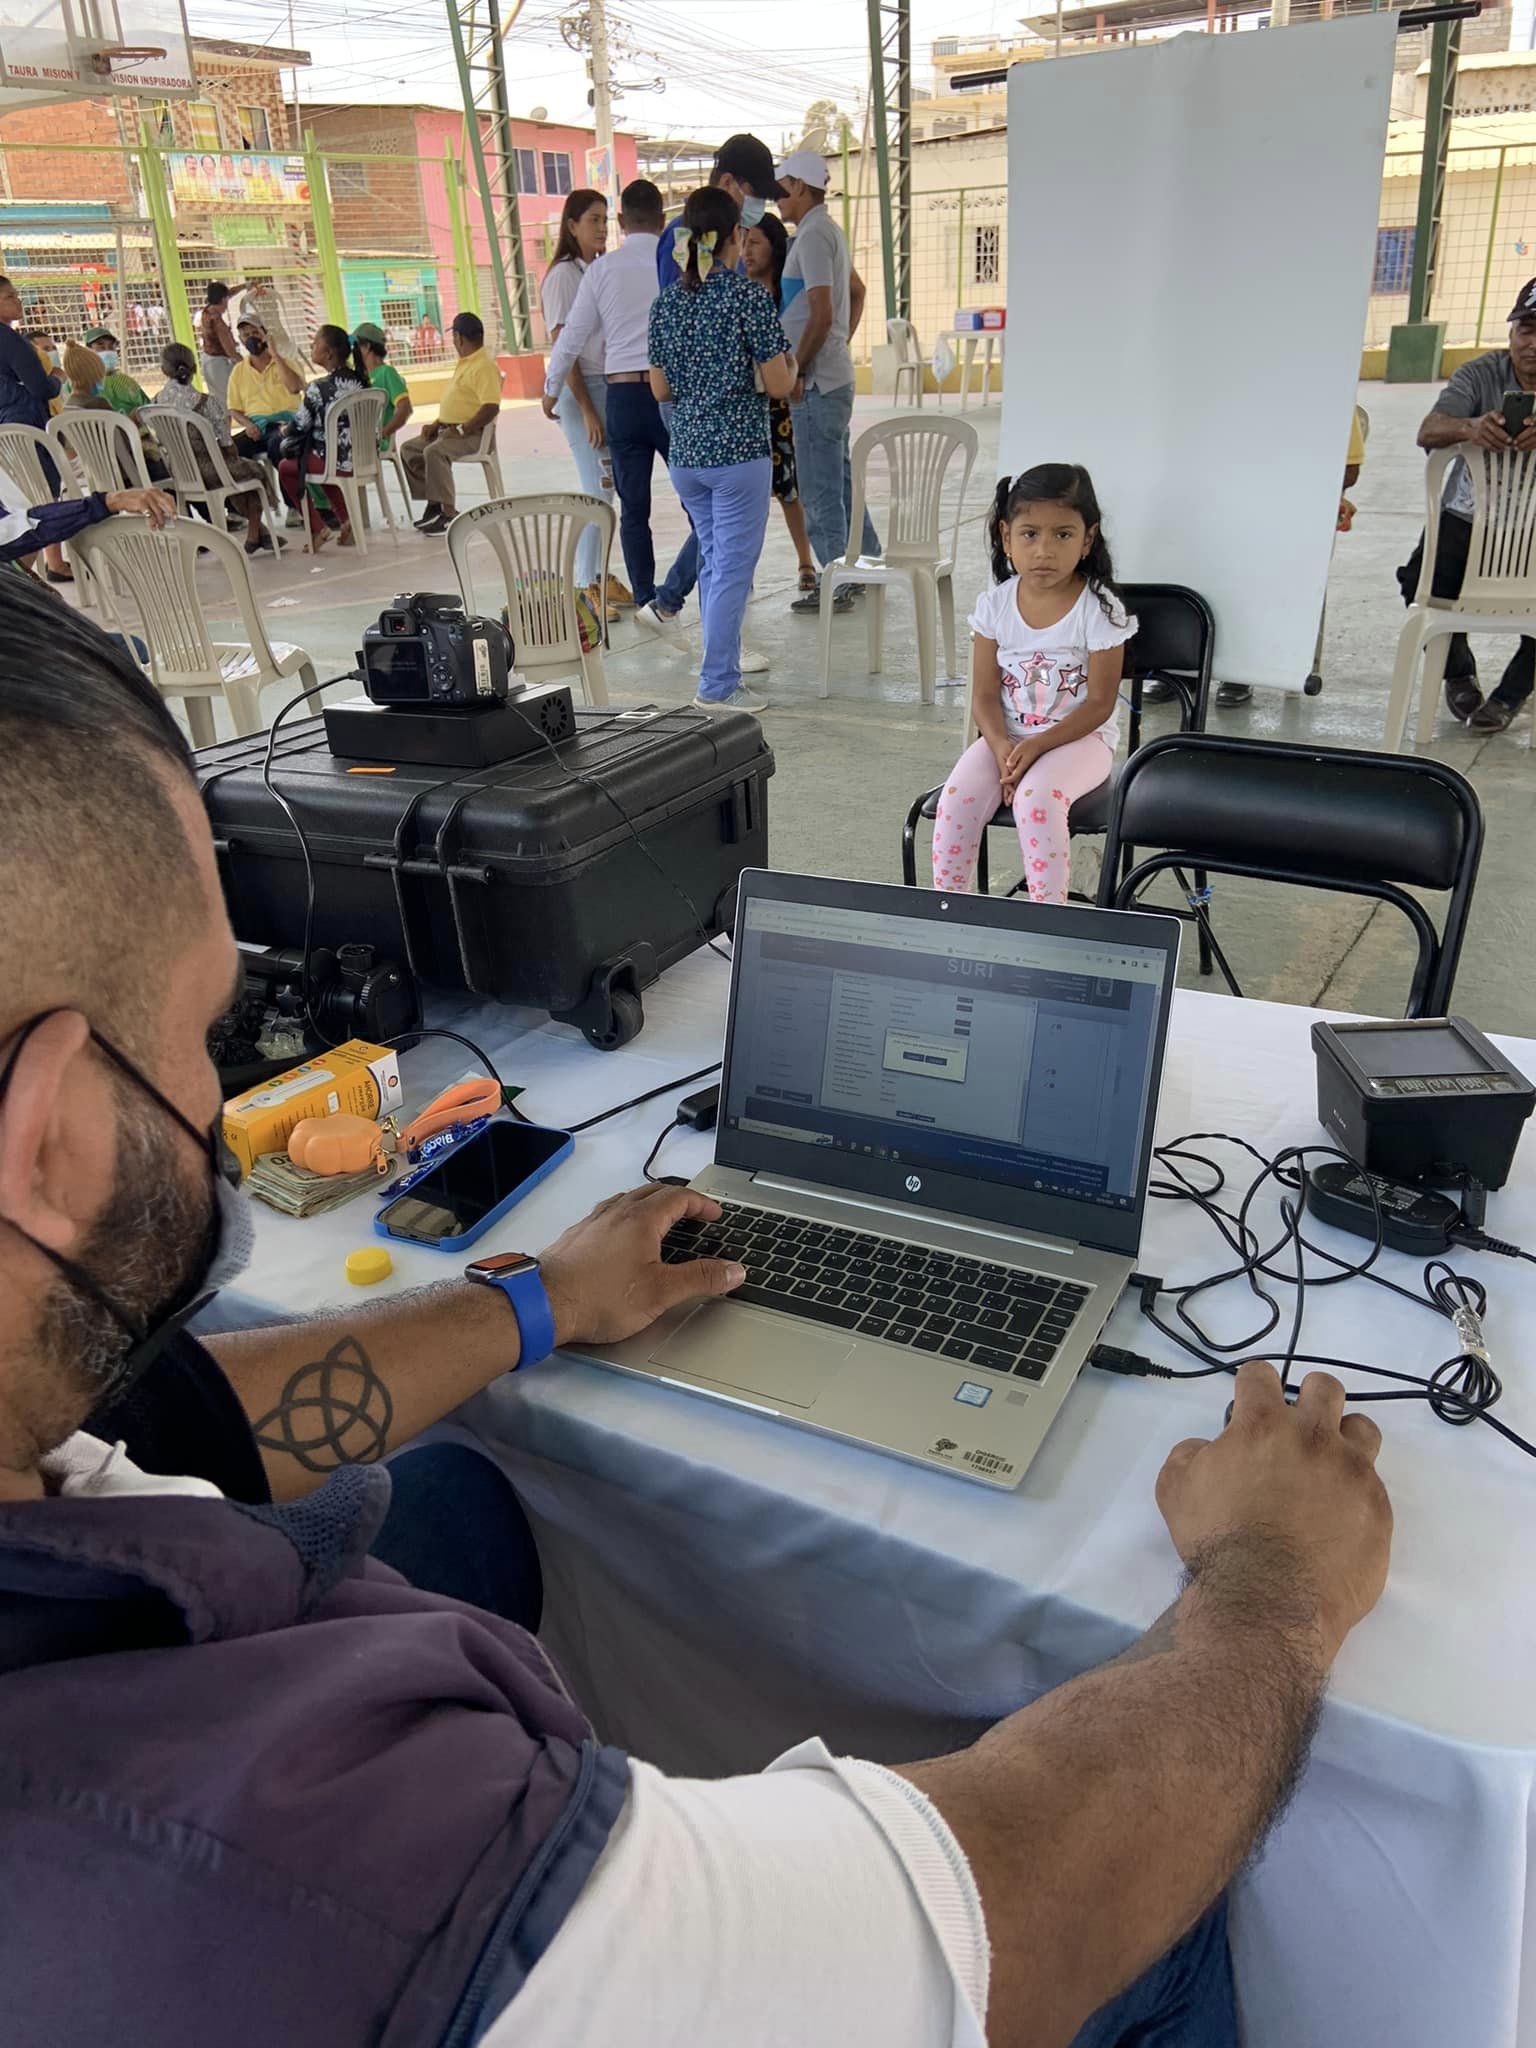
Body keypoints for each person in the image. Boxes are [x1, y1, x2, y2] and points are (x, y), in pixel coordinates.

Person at [0, 571, 1395, 2047]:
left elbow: (191, 1419)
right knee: (1169, 1928)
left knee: (458, 1496)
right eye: (206, 1028)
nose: (219, 1084)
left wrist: (540, 1302)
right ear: (51, 1137)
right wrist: (1275, 1590)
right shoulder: (336, 1862)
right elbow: (1005, 1918)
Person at [933, 464, 1135, 906]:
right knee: (957, 799)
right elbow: (984, 695)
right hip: (1006, 739)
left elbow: (1100, 704)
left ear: (1088, 539)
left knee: (1037, 799)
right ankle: (949, 917)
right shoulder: (995, 606)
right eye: (1029, 534)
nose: (1044, 550)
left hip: (1080, 741)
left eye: (1062, 535)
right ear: (1006, 538)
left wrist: (1036, 748)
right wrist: (1002, 747)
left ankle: (1048, 923)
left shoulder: (1099, 610)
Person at [649, 187, 795, 717]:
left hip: (688, 455)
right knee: (731, 568)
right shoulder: (747, 298)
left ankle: (722, 669)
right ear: (736, 234)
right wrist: (785, 369)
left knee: (714, 563)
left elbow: (660, 389)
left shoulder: (665, 303)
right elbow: (778, 384)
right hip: (739, 455)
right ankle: (716, 684)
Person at [541, 179, 699, 640]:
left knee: (633, 507)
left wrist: (551, 388)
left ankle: (646, 596)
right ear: (662, 219)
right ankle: (694, 579)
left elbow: (571, 336)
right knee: (698, 503)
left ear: (622, 220)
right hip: (671, 396)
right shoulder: (679, 260)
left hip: (623, 398)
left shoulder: (602, 270)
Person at [1399, 277, 1536, 735]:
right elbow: (1428, 430)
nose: (1533, 345)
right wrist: (1471, 427)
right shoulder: (1480, 374)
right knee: (1420, 583)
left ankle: (1510, 694)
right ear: (1512, 332)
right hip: (1466, 518)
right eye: (1527, 330)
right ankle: (1457, 673)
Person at [776, 148, 881, 617]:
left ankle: (838, 578)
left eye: (781, 189)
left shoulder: (814, 235)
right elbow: (855, 293)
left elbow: (820, 312)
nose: (777, 198)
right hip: (829, 376)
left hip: (817, 384)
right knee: (838, 480)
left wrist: (798, 367)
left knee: (819, 490)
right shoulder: (824, 231)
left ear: (799, 186)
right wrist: (838, 342)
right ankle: (868, 560)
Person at [540, 186, 632, 620]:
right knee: (597, 489)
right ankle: (583, 586)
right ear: (571, 225)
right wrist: (588, 409)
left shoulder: (597, 269)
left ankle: (597, 574)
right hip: (583, 392)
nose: (601, 227)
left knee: (606, 489)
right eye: (593, 219)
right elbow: (566, 347)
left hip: (605, 385)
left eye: (605, 219)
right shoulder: (563, 275)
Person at [742, 211, 818, 597]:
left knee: (789, 487)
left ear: (775, 248)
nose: (746, 251)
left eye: (755, 243)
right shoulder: (738, 297)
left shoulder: (785, 299)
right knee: (748, 495)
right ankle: (744, 569)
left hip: (782, 406)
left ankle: (806, 561)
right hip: (746, 407)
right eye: (743, 242)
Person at [156, 342, 274, 555]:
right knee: (252, 471)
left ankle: (259, 533)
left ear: (164, 370)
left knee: (234, 471)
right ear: (195, 368)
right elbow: (228, 446)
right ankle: (255, 531)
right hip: (210, 473)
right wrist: (228, 455)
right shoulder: (208, 403)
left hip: (179, 474)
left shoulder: (154, 405)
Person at [400, 311, 504, 534]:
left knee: (434, 452)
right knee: (409, 449)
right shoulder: (466, 363)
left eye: (454, 336)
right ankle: (434, 504)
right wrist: (436, 423)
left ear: (460, 338)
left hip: (472, 434)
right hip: (448, 429)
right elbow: (460, 402)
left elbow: (490, 407)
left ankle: (447, 513)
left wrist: (462, 429)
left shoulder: (483, 365)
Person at [0, 277, 70, 582]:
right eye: (9, 297)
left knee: (19, 503)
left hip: (4, 433)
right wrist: (57, 378)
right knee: (40, 500)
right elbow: (41, 388)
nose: (18, 301)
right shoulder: (10, 340)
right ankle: (22, 576)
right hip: (25, 427)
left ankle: (32, 573)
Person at [278, 322, 369, 550]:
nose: (312, 346)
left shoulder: (318, 388)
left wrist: (284, 430)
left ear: (328, 353)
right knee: (322, 458)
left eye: (316, 343)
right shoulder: (362, 381)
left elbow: (300, 426)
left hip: (336, 462)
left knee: (287, 467)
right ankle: (347, 521)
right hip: (363, 458)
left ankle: (318, 529)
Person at [655, 131, 783, 286]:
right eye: (755, 194)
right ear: (727, 182)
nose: (760, 204)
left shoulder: (736, 233)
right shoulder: (682, 234)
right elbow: (674, 298)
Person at [226, 315, 305, 467]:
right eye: (246, 335)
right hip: (257, 428)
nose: (251, 338)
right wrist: (248, 425)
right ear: (241, 340)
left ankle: (290, 482)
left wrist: (275, 355)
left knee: (277, 444)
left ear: (265, 335)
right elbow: (234, 409)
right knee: (228, 451)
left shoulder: (286, 363)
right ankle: (257, 483)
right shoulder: (238, 371)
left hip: (285, 424)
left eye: (255, 333)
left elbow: (295, 388)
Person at [352, 321, 414, 458]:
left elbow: (405, 409)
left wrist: (383, 433)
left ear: (367, 347)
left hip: (374, 441)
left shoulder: (387, 373)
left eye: (355, 346)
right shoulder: (358, 377)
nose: (352, 351)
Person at [81, 326, 153, 418]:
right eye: (101, 347)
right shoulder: (80, 383)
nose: (107, 351)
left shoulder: (125, 382)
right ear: (87, 351)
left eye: (111, 347)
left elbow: (147, 409)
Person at [197, 281, 240, 408]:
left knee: (219, 400)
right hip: (218, 365)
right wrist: (248, 364)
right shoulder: (217, 322)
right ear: (223, 300)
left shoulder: (207, 310)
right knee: (229, 402)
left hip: (207, 359)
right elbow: (231, 352)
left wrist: (246, 285)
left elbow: (230, 293)